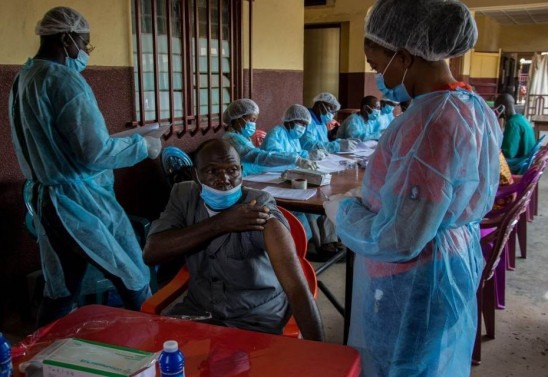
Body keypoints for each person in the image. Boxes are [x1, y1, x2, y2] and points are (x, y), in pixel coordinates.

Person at [323, 1, 502, 375]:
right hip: (453, 258)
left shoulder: (427, 123)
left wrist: (343, 211)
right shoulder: (474, 107)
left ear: (403, 57)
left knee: (402, 366)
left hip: (417, 275)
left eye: (375, 63)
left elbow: (401, 238)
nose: (375, 74)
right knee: (432, 362)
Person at [8, 7, 161, 326]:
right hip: (79, 202)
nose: (85, 53)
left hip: (49, 199)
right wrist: (141, 145)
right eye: (84, 44)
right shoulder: (65, 81)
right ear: (66, 40)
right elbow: (94, 152)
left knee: (62, 288)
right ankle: (160, 344)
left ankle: (39, 354)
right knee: (131, 277)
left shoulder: (25, 78)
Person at [143, 139, 324, 341]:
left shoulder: (258, 207)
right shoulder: (184, 195)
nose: (225, 179)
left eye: (232, 170)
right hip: (200, 309)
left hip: (256, 316)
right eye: (212, 171)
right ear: (195, 175)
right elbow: (152, 253)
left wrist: (321, 357)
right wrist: (221, 223)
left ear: (242, 171)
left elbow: (297, 288)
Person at [262, 104, 338, 257]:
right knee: (307, 208)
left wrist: (308, 155)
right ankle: (313, 247)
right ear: (290, 121)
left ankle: (326, 241)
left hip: (290, 176)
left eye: (305, 124)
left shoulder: (293, 137)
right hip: (272, 177)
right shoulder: (276, 133)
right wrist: (300, 158)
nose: (302, 127)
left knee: (323, 198)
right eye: (301, 123)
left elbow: (297, 152)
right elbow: (274, 155)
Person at [221, 99, 317, 176]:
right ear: (238, 119)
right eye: (251, 120)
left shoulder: (242, 136)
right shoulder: (232, 139)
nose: (253, 124)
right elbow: (258, 156)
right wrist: (295, 159)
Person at [495, 93, 536, 160]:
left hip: (518, 163)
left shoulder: (512, 124)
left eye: (498, 109)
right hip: (527, 160)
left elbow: (508, 154)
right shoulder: (522, 118)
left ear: (502, 108)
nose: (497, 113)